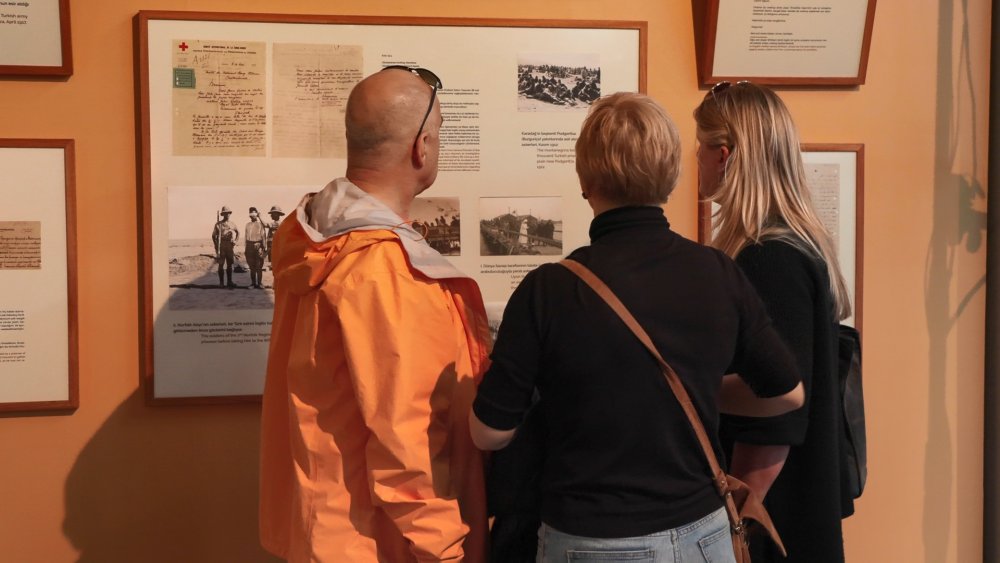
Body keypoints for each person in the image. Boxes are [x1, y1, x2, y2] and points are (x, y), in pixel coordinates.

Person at [469, 92, 805, 563]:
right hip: (703, 534)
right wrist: (696, 387)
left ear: (585, 181)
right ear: (671, 177)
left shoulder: (547, 290)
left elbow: (489, 434)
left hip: (590, 540)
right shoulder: (717, 272)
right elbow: (788, 394)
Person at [259, 66, 491, 562]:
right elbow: (409, 442)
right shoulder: (385, 270)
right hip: (380, 545)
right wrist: (446, 552)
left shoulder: (311, 238)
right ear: (421, 147)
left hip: (323, 534)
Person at [693, 81, 855, 563]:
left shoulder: (769, 258)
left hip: (773, 520)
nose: (694, 158)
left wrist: (735, 523)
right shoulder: (789, 247)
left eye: (699, 146)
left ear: (724, 157)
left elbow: (775, 413)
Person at [211, 205, 239, 289]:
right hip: (221, 245)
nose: (227, 215)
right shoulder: (218, 224)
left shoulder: (232, 224)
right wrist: (216, 245)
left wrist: (235, 241)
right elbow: (213, 236)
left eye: (228, 213)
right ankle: (221, 283)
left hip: (229, 245)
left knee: (230, 264)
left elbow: (238, 232)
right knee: (221, 264)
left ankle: (229, 282)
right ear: (223, 214)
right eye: (225, 213)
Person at [244, 207, 266, 289]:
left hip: (258, 245)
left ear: (256, 214)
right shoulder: (247, 225)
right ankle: (253, 283)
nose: (252, 214)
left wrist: (263, 247)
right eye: (251, 213)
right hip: (249, 246)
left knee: (259, 266)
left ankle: (259, 283)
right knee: (252, 267)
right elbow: (246, 237)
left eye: (254, 212)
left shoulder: (260, 224)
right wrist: (246, 249)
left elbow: (263, 236)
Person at [264, 205, 285, 271]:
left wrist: (259, 216)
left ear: (277, 214)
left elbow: (265, 225)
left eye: (273, 214)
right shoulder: (277, 223)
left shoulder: (278, 223)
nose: (271, 215)